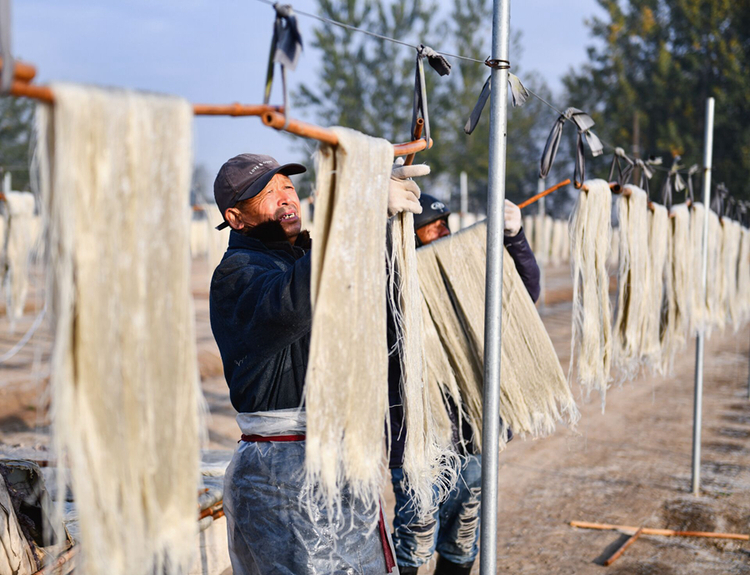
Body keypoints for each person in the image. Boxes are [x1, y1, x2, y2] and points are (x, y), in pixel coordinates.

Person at [209, 153, 428, 575]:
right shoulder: (239, 271)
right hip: (284, 476)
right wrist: (359, 209)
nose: (284, 196)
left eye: (287, 186)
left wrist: (381, 225)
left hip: (333, 459)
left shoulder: (300, 259)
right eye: (266, 193)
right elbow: (295, 302)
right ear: (236, 218)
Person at [388, 194, 540, 575]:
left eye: (445, 224)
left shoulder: (468, 274)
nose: (442, 232)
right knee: (415, 543)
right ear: (407, 236)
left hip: (475, 438)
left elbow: (524, 293)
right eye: (430, 227)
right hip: (418, 447)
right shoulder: (393, 285)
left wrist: (515, 238)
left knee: (462, 539)